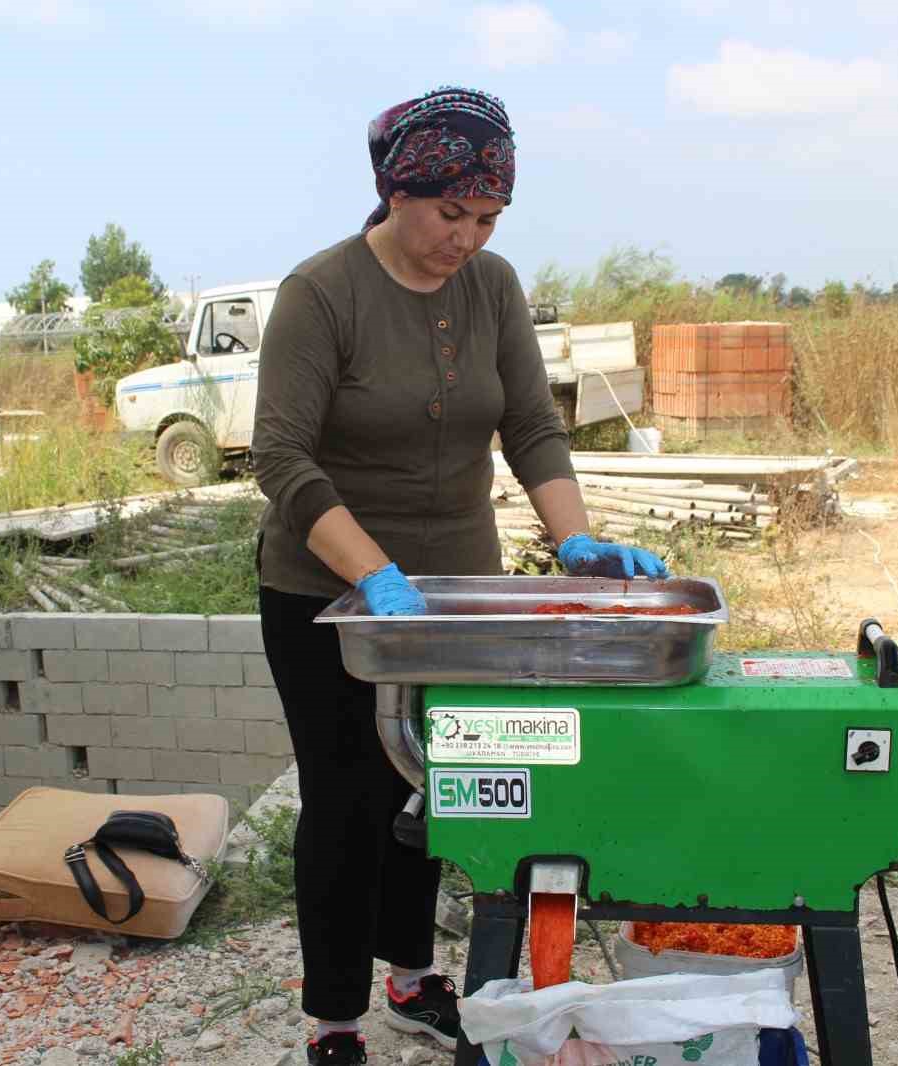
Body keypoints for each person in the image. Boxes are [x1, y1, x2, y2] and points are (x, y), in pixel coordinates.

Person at [252, 86, 668, 1066]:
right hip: (330, 596)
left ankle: (411, 976)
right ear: (398, 191)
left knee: (442, 791)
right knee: (349, 798)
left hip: (456, 596)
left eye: (487, 219)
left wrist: (573, 540)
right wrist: (376, 575)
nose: (467, 237)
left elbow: (529, 423)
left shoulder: (493, 288)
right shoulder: (321, 294)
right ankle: (334, 1021)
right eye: (452, 214)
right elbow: (281, 459)